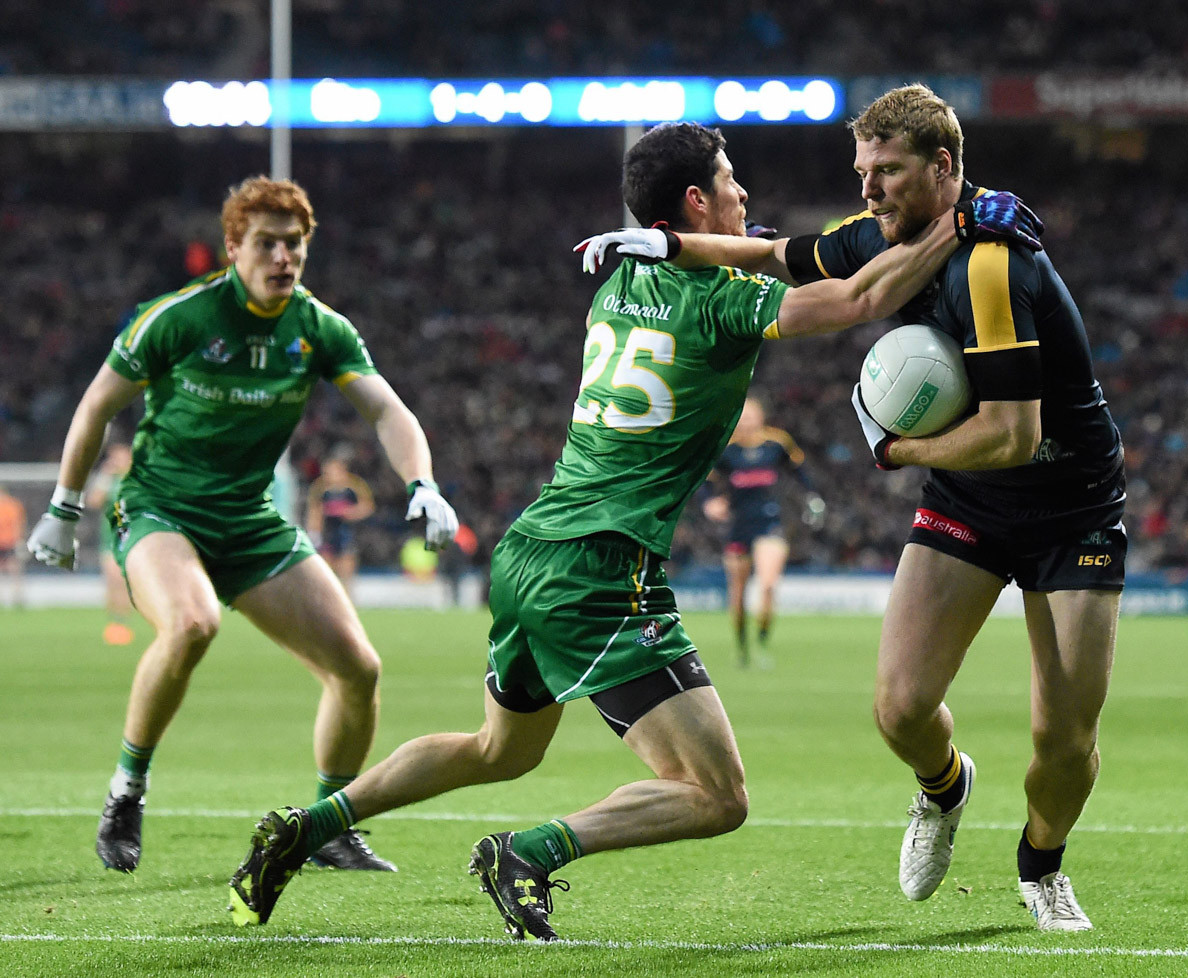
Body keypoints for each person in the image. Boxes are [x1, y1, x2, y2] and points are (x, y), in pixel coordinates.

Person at [224, 122, 1039, 938]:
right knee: (717, 796)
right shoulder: (716, 296)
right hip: (602, 567)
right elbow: (861, 296)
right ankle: (529, 852)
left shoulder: (618, 281)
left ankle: (308, 824)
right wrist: (960, 222)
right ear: (694, 200)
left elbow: (805, 251)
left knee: (498, 751)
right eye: (729, 181)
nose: (744, 195)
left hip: (532, 548)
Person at [588, 85, 1120, 932]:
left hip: (1072, 505)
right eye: (863, 172)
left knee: (1063, 739)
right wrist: (665, 241)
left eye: (889, 172)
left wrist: (894, 448)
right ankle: (944, 789)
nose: (869, 191)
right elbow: (776, 255)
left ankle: (1041, 865)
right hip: (970, 500)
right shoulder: (882, 234)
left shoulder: (990, 261)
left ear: (943, 167)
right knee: (899, 707)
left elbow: (1012, 437)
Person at [26, 176, 460, 875]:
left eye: (295, 245)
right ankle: (126, 792)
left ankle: (329, 825)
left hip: (250, 521)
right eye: (267, 244)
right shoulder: (179, 318)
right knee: (194, 622)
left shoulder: (319, 329)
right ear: (234, 248)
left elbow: (387, 412)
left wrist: (423, 484)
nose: (283, 258)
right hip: (160, 508)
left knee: (358, 668)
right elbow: (96, 404)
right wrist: (63, 506)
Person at [702, 396, 823, 667]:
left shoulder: (777, 443)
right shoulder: (727, 449)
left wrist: (812, 497)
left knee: (767, 584)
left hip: (770, 522)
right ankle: (743, 648)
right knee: (738, 590)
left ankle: (763, 639)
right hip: (738, 526)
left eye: (750, 415)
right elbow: (706, 482)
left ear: (761, 417)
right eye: (741, 416)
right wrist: (710, 503)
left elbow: (800, 471)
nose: (746, 421)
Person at [306, 445, 376, 595]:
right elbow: (315, 511)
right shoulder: (320, 487)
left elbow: (367, 506)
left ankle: (347, 599)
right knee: (325, 570)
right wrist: (314, 533)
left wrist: (351, 513)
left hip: (347, 532)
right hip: (327, 533)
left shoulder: (354, 485)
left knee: (346, 569)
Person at [86, 442, 136, 644]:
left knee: (125, 582)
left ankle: (123, 622)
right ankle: (115, 623)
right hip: (109, 539)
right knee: (112, 580)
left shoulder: (136, 479)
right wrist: (105, 475)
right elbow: (93, 502)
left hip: (132, 538)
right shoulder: (108, 481)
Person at [0, 484, 26, 608]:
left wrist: (19, 540)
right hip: (4, 541)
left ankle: (17, 595)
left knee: (13, 568)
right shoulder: (12, 505)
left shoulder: (12, 505)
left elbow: (18, 524)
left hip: (9, 541)